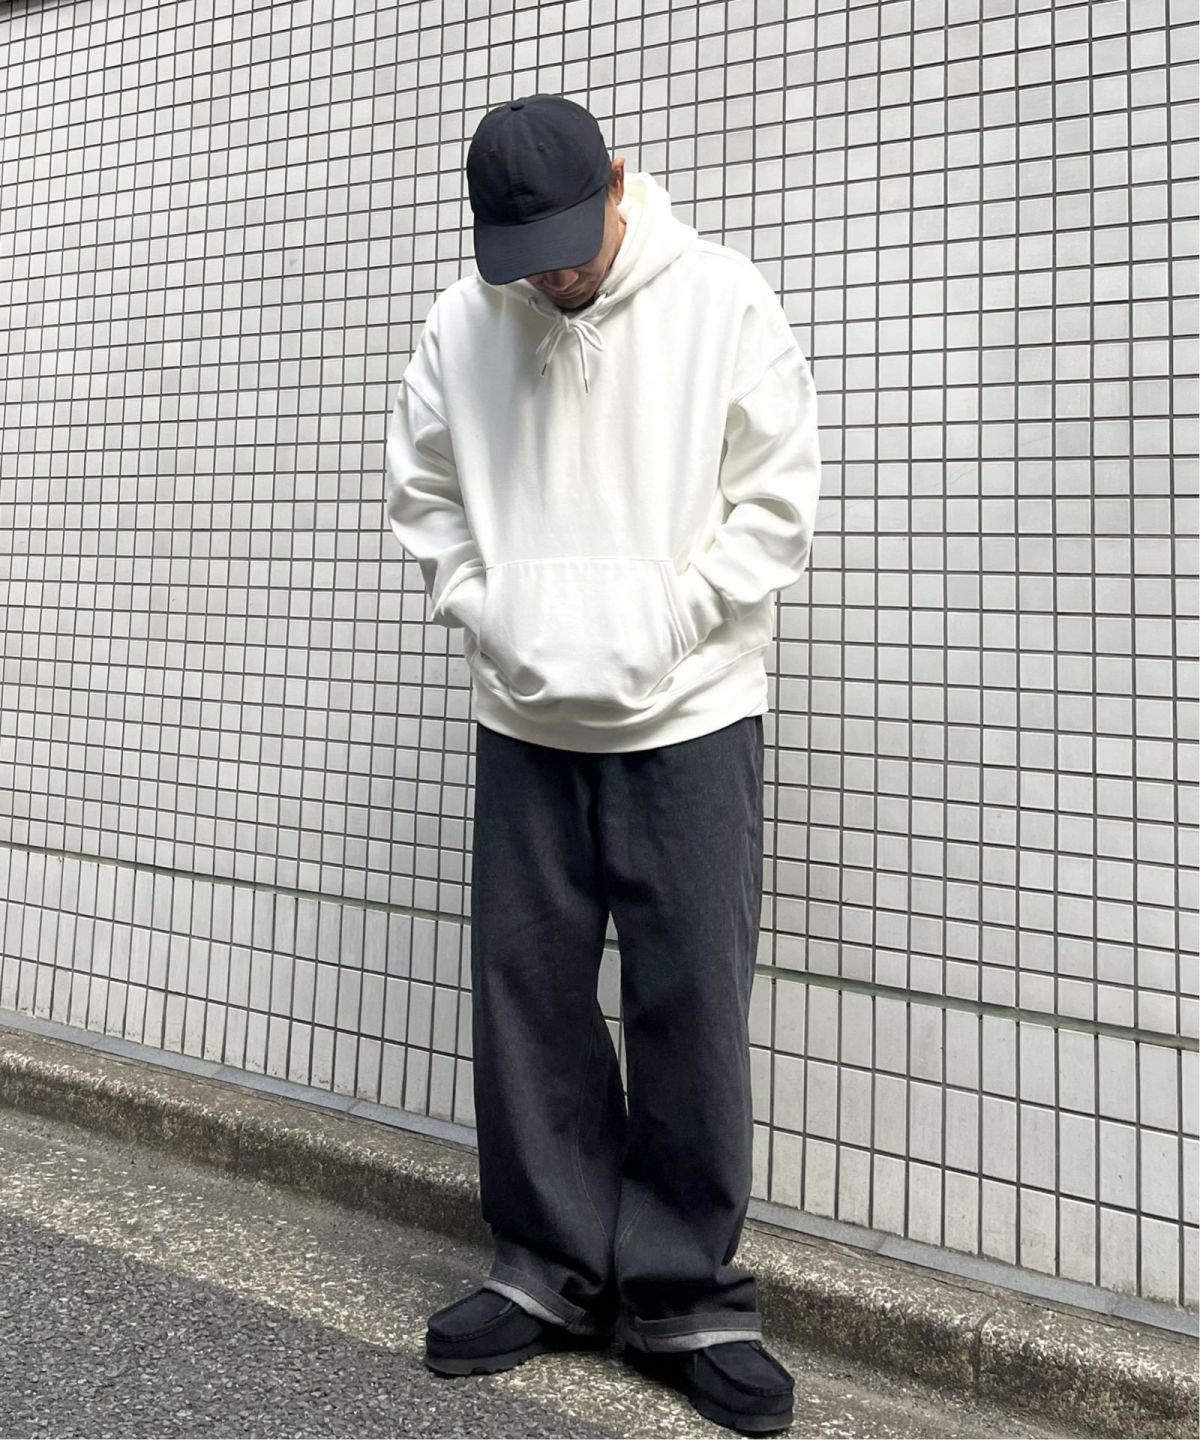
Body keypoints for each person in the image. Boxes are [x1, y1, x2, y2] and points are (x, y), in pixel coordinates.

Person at [385, 94, 821, 1436]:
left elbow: (777, 499)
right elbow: (423, 491)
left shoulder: (724, 302)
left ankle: (687, 1297)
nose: (553, 278)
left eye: (570, 248)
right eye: (525, 259)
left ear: (620, 185)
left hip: (692, 714)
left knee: (691, 1001)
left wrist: (673, 618)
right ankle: (548, 1270)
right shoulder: (464, 321)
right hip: (525, 720)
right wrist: (494, 611)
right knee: (529, 999)